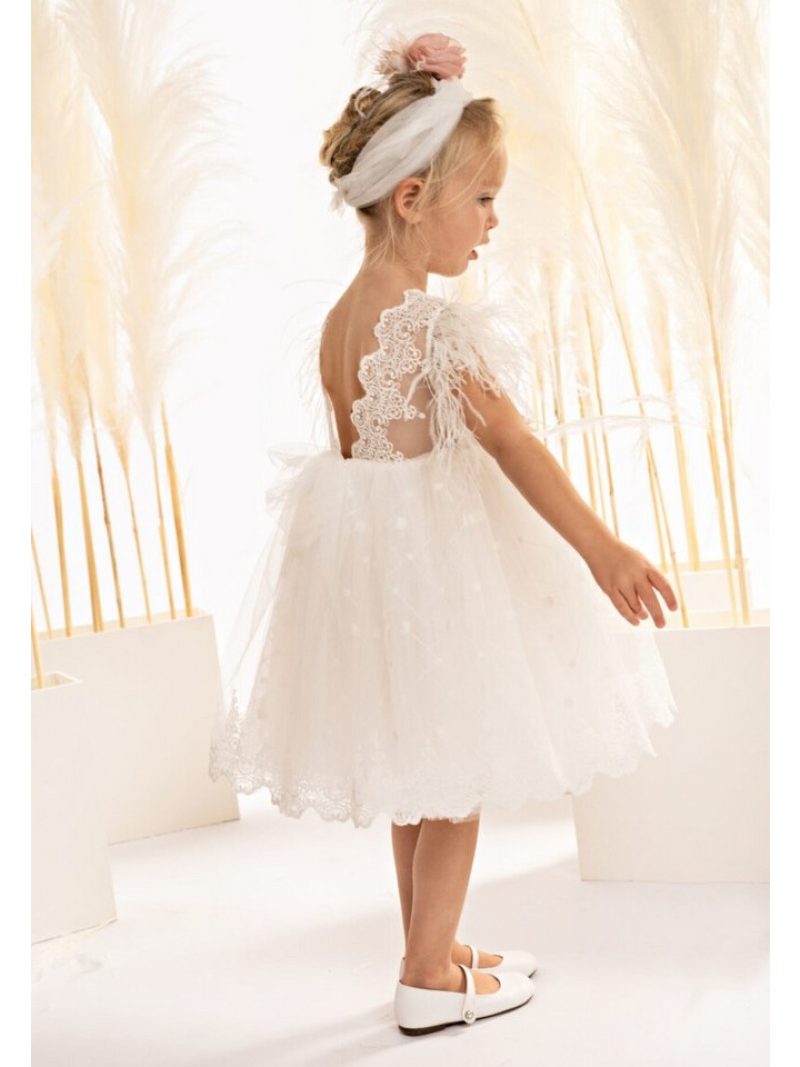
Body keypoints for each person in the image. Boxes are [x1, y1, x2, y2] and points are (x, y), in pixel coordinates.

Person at [208, 31, 679, 1036]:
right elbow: (510, 441)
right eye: (483, 200)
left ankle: (430, 943)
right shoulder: (426, 328)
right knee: (455, 772)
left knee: (415, 772)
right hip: (430, 570)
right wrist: (602, 549)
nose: (493, 223)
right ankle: (427, 974)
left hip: (365, 571)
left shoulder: (343, 316)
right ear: (413, 199)